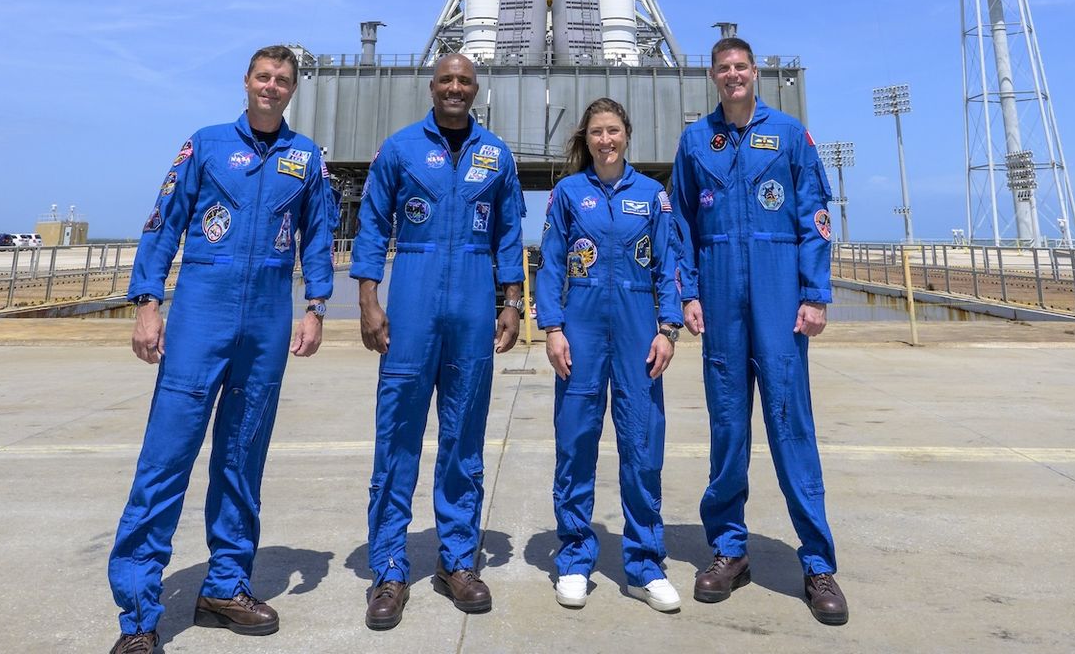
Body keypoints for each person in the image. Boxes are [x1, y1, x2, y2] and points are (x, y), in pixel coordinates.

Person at [106, 45, 338, 654]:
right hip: (200, 313)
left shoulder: (305, 157)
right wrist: (148, 302)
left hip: (265, 320)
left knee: (241, 458)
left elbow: (318, 234)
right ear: (247, 82)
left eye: (283, 80)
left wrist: (316, 306)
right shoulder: (205, 145)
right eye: (264, 77)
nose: (272, 87)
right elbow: (164, 221)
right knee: (165, 461)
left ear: (293, 89)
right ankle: (138, 617)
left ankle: (225, 584)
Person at [669, 35, 849, 627]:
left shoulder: (791, 135)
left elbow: (814, 216)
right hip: (720, 299)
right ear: (713, 78)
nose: (732, 75)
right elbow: (682, 227)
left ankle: (818, 564)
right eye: (723, 68)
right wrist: (688, 294)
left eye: (740, 66)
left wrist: (815, 294)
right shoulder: (697, 141)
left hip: (778, 297)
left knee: (791, 426)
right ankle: (728, 550)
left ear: (755, 72)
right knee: (727, 429)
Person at [350, 53, 526, 630]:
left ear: (476, 90)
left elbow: (507, 233)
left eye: (465, 82)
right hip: (413, 301)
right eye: (447, 80)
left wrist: (511, 302)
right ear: (433, 87)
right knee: (397, 435)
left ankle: (457, 561)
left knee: (463, 439)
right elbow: (373, 224)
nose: (455, 88)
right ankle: (390, 569)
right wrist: (369, 298)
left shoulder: (495, 155)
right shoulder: (399, 149)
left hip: (474, 303)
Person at [534, 98, 695, 613]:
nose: (607, 140)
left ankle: (646, 565)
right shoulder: (566, 194)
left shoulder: (652, 196)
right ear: (586, 138)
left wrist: (667, 328)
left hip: (636, 329)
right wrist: (552, 328)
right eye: (598, 132)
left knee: (642, 446)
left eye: (614, 131)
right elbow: (551, 264)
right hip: (579, 329)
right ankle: (576, 558)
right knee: (576, 444)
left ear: (627, 134)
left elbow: (669, 263)